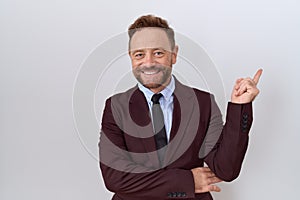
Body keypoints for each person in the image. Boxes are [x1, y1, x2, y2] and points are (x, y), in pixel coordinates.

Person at [99, 14, 262, 200]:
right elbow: (115, 177)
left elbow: (226, 170)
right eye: (139, 54)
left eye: (158, 53)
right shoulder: (115, 107)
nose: (149, 62)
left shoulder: (203, 103)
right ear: (131, 58)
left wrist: (239, 107)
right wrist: (188, 181)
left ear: (174, 55)